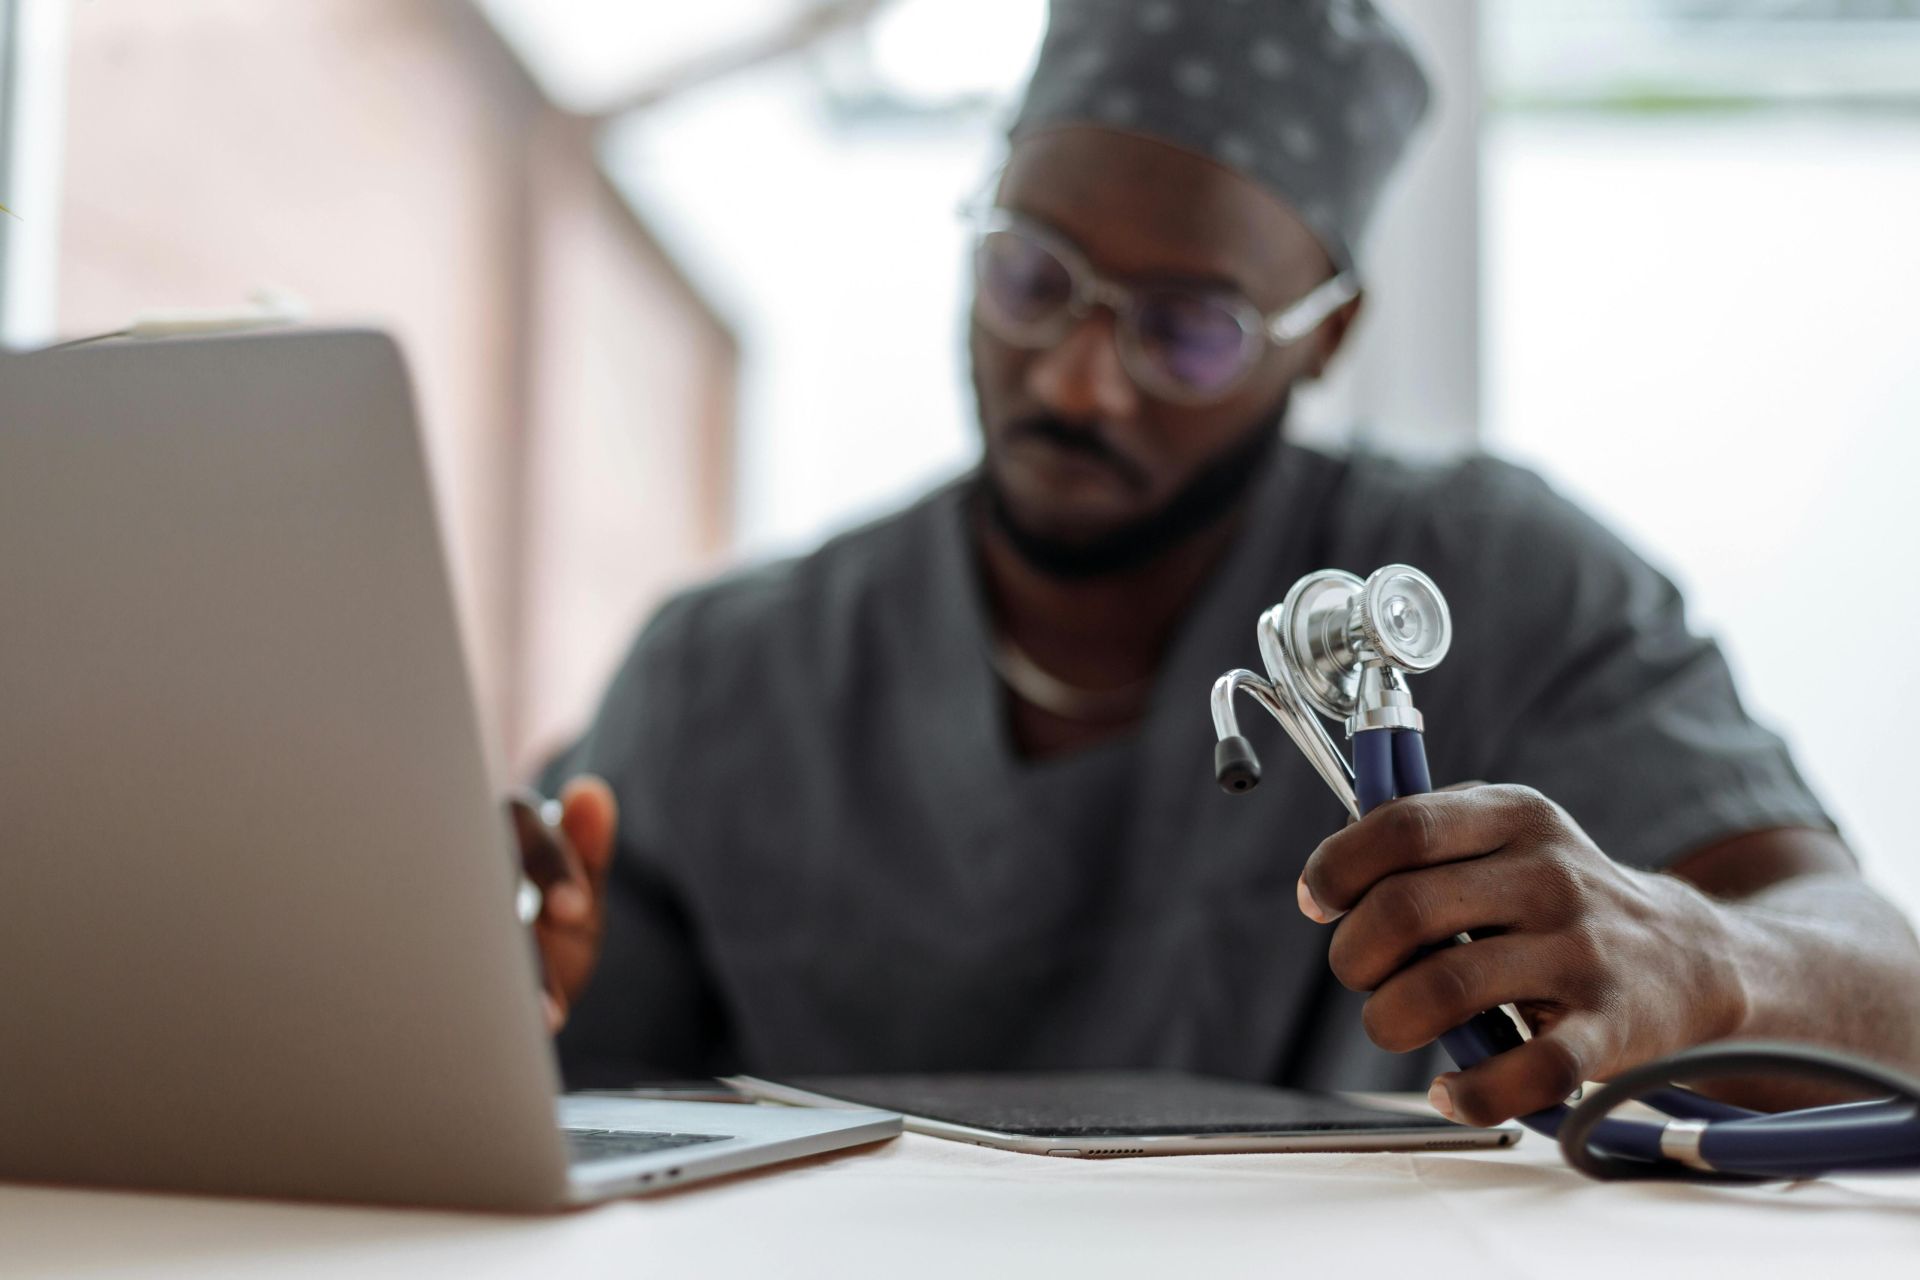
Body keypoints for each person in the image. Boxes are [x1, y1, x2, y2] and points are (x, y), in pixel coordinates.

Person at [518, 0, 1920, 1127]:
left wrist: (1707, 962)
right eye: (1032, 276)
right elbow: (565, 1097)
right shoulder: (723, 679)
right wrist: (486, 989)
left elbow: (1890, 992)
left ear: (1327, 333)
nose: (1081, 379)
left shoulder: (1500, 590)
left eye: (1187, 329)